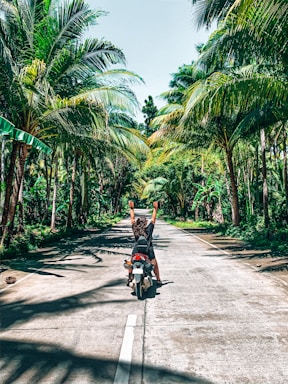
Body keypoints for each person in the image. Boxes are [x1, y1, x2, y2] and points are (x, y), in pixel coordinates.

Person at [128, 200, 162, 285]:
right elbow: (153, 219)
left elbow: (132, 219)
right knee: (155, 264)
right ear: (145, 223)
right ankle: (158, 279)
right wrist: (155, 208)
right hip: (148, 250)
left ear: (137, 223)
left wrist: (131, 208)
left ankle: (129, 278)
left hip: (137, 250)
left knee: (131, 262)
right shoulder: (148, 229)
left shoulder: (135, 229)